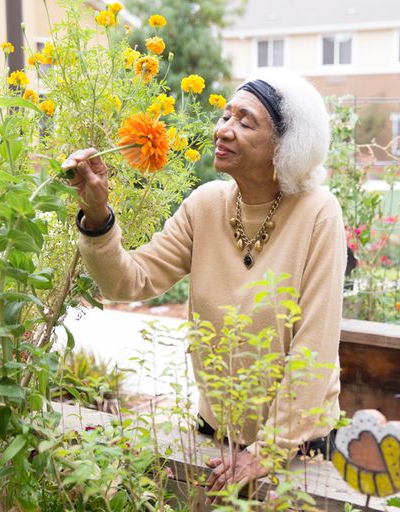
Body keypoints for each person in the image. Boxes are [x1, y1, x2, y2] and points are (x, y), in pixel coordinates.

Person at [62, 69, 346, 498]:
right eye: (226, 116)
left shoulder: (318, 213)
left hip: (297, 451)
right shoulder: (206, 204)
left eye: (245, 122)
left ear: (284, 146)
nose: (224, 130)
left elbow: (315, 346)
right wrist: (97, 213)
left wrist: (268, 450)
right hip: (217, 439)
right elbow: (129, 282)